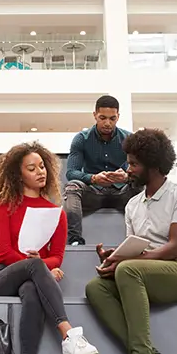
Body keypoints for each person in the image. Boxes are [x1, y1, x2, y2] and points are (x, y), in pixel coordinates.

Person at [85, 129, 177, 354]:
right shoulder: (133, 205)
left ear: (153, 166)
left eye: (134, 164)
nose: (128, 169)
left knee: (129, 269)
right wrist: (115, 258)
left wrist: (126, 262)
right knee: (96, 287)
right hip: (149, 273)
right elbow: (137, 249)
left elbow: (175, 248)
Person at [0, 142, 99, 354]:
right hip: (3, 278)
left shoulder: (56, 213)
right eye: (32, 168)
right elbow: (4, 254)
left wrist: (40, 268)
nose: (41, 171)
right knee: (34, 268)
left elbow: (57, 257)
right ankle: (68, 333)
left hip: (35, 280)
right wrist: (37, 266)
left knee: (30, 290)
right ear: (18, 175)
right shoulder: (3, 209)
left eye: (42, 166)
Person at [63, 95, 138, 246]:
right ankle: (75, 240)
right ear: (95, 115)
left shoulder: (129, 139)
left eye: (112, 118)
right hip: (93, 193)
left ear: (118, 117)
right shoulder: (81, 139)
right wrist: (93, 178)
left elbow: (141, 171)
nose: (107, 123)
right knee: (72, 187)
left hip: (122, 194)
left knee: (141, 187)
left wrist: (127, 176)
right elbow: (71, 172)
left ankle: (142, 240)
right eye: (102, 118)